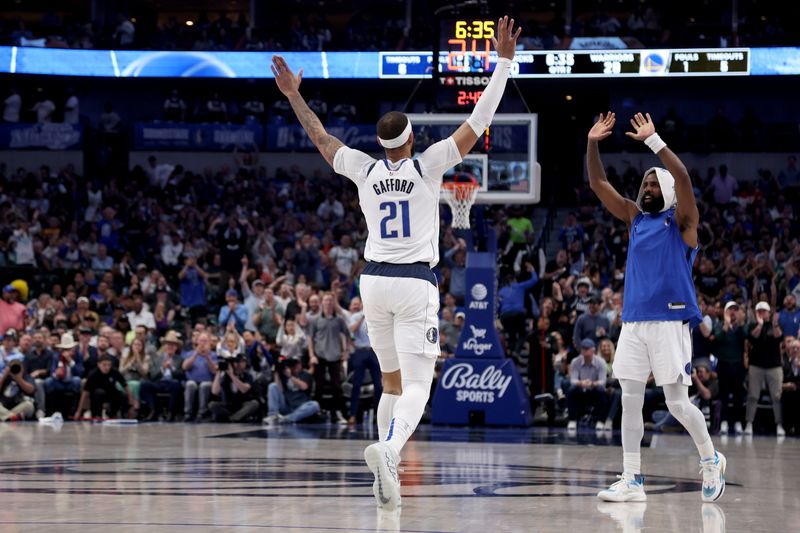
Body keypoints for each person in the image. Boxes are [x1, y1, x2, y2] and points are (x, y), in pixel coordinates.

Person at [270, 14, 520, 511]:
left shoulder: (363, 169)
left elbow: (321, 139)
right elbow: (479, 122)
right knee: (420, 387)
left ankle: (385, 470)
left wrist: (294, 95)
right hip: (412, 284)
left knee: (391, 382)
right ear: (409, 139)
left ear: (383, 143)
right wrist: (504, 64)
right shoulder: (428, 166)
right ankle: (388, 449)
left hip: (373, 283)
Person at [587, 111, 725, 503]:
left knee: (677, 403)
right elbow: (599, 183)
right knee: (629, 401)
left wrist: (653, 141)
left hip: (670, 321)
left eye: (652, 182)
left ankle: (711, 459)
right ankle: (632, 479)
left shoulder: (682, 221)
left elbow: (682, 177)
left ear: (664, 190)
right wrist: (592, 143)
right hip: (632, 323)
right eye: (643, 182)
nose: (646, 186)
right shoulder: (634, 218)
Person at [307, 293, 350, 423]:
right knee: (319, 386)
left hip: (335, 356)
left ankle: (336, 413)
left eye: (331, 300)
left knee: (336, 386)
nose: (328, 303)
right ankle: (317, 411)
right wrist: (311, 355)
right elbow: (310, 338)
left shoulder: (340, 319)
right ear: (322, 302)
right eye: (326, 300)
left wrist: (346, 351)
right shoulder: (315, 319)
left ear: (333, 303)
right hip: (320, 356)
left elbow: (347, 335)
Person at [744, 302, 785, 436]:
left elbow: (779, 337)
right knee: (753, 395)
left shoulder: (775, 325)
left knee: (776, 396)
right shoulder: (752, 325)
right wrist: (760, 325)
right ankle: (749, 424)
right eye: (759, 311)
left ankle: (779, 424)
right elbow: (751, 337)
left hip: (774, 366)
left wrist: (774, 324)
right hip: (756, 366)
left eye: (764, 311)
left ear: (769, 312)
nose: (762, 313)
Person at [346, 297, 383, 425]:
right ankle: (353, 414)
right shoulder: (356, 316)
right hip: (360, 351)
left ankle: (379, 415)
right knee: (356, 385)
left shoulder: (376, 316)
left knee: (379, 385)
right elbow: (352, 331)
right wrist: (363, 316)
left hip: (373, 351)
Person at [566, 339, 607, 431]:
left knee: (601, 391)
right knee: (571, 390)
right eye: (584, 349)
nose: (585, 351)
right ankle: (572, 420)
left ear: (593, 350)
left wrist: (593, 383)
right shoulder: (575, 361)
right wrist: (581, 383)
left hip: (594, 388)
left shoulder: (601, 362)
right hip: (581, 388)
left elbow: (603, 381)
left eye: (588, 349)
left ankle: (601, 421)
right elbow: (573, 380)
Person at [263, 357, 320, 424]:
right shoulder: (284, 376)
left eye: (297, 364)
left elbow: (304, 387)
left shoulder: (305, 374)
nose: (296, 366)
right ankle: (273, 416)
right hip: (287, 406)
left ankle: (287, 419)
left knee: (315, 405)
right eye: (293, 365)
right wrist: (277, 372)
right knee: (272, 386)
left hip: (301, 407)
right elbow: (279, 390)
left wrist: (290, 377)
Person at [75, 354, 132, 419]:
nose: (107, 367)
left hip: (111, 394)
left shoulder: (114, 372)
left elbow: (126, 386)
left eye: (109, 365)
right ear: (98, 364)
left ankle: (114, 414)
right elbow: (85, 393)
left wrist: (131, 403)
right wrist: (78, 411)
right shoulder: (93, 374)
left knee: (122, 395)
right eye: (104, 365)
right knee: (99, 393)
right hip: (96, 396)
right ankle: (97, 415)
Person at [209, 354, 259, 422]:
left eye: (242, 362)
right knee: (212, 405)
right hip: (229, 404)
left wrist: (232, 376)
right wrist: (218, 373)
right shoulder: (226, 376)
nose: (238, 364)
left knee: (254, 404)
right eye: (237, 362)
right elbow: (215, 391)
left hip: (243, 404)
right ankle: (237, 416)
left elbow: (244, 389)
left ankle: (232, 418)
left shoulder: (248, 375)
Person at [181, 332, 218, 421]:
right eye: (201, 341)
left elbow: (215, 371)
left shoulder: (214, 355)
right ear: (197, 342)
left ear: (209, 342)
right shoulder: (190, 353)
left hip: (207, 381)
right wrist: (195, 354)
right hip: (192, 380)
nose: (203, 343)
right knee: (190, 384)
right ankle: (188, 413)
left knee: (204, 385)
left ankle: (202, 413)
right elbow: (184, 367)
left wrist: (208, 358)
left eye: (205, 341)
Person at [0, 356, 36, 421]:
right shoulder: (5, 377)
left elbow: (30, 390)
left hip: (19, 406)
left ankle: (5, 417)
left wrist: (18, 378)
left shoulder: (26, 377)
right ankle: (12, 417)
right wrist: (4, 376)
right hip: (4, 406)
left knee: (29, 405)